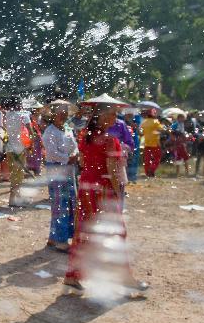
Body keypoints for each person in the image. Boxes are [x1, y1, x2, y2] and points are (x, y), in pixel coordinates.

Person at [63, 104, 148, 298]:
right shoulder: (110, 141)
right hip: (103, 189)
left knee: (84, 232)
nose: (114, 118)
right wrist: (119, 193)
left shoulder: (85, 136)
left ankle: (72, 275)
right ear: (101, 117)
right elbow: (113, 171)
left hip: (86, 187)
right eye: (111, 115)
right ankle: (124, 279)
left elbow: (83, 163)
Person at [42, 101, 78, 251]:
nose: (63, 114)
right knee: (60, 204)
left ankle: (53, 237)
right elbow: (51, 152)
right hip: (56, 169)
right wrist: (67, 158)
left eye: (65, 111)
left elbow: (74, 145)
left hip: (68, 168)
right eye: (60, 111)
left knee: (69, 202)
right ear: (53, 114)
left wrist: (75, 153)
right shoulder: (50, 131)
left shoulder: (67, 129)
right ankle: (61, 240)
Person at [2, 96, 32, 207]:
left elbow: (3, 131)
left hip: (9, 148)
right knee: (18, 175)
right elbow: (31, 132)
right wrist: (30, 146)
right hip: (20, 148)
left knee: (14, 173)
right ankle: (12, 199)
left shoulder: (6, 115)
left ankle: (16, 197)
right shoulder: (24, 115)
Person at [139, 108, 165, 178]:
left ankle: (147, 172)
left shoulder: (144, 122)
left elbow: (141, 132)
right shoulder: (155, 121)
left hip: (146, 143)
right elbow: (162, 129)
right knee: (157, 158)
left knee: (147, 159)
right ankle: (152, 170)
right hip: (155, 143)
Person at [123, 109, 141, 183]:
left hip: (133, 139)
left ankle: (132, 177)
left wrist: (130, 120)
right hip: (125, 139)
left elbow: (136, 127)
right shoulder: (121, 117)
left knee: (134, 157)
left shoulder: (136, 117)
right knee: (125, 158)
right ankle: (126, 177)